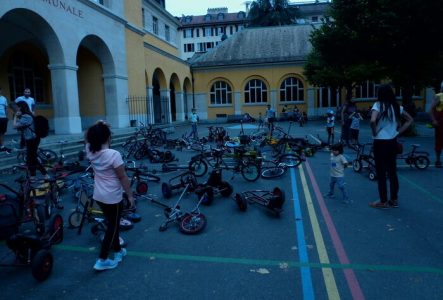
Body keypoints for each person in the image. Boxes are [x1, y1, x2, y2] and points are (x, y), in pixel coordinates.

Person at [85, 120, 135, 271]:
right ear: (108, 137)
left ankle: (119, 251)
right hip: (113, 197)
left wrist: (96, 125)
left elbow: (87, 137)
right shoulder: (114, 154)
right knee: (112, 228)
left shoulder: (90, 150)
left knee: (112, 224)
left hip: (99, 196)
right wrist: (130, 196)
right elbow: (123, 177)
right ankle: (102, 259)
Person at [369, 84, 413, 209]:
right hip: (392, 141)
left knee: (381, 172)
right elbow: (410, 119)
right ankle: (394, 200)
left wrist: (374, 132)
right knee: (392, 171)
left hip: (380, 142)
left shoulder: (378, 105)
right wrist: (398, 131)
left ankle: (383, 200)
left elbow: (372, 121)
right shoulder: (396, 107)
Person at [13, 101, 48, 179]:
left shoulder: (26, 116)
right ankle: (33, 175)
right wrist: (19, 117)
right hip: (30, 139)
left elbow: (15, 126)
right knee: (30, 158)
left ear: (21, 107)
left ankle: (44, 174)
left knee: (32, 158)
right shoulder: (25, 116)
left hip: (33, 140)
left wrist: (15, 116)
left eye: (17, 107)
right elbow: (20, 127)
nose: (16, 108)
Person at [429, 81, 443, 168]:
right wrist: (434, 120)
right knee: (439, 142)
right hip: (441, 123)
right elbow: (430, 110)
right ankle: (438, 160)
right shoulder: (439, 96)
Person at [0, 87, 11, 154]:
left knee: (2, 133)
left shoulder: (4, 98)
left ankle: (2, 146)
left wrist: (6, 117)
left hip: (3, 118)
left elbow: (6, 108)